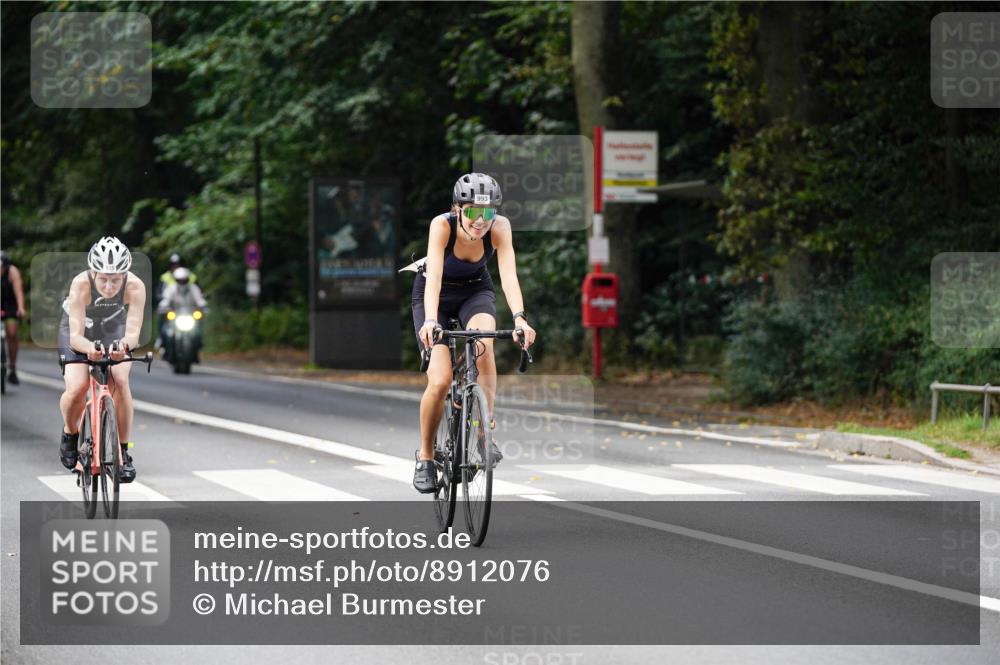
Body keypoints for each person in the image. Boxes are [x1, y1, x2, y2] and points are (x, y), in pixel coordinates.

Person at [411, 173, 536, 493]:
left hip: (475, 292)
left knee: (484, 345)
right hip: (434, 296)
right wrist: (429, 321)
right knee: (439, 381)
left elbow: (508, 275)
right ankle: (425, 456)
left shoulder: (499, 227)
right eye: (472, 212)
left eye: (488, 213)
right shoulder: (442, 226)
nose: (481, 221)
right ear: (457, 209)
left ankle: (483, 432)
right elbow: (434, 277)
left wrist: (520, 318)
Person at [58, 237, 146, 482]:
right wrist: (89, 349)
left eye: (116, 279)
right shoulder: (80, 284)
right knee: (77, 388)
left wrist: (123, 347)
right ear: (93, 273)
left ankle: (123, 452)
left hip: (112, 326)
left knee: (120, 378)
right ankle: (70, 433)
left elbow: (133, 332)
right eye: (104, 279)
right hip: (79, 330)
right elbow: (75, 337)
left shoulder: (135, 286)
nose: (109, 286)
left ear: (125, 275)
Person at [157, 267, 207, 362]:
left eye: (184, 280)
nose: (182, 282)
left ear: (188, 279)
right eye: (180, 280)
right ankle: (163, 346)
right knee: (165, 331)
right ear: (176, 280)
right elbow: (165, 300)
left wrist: (203, 305)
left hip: (190, 316)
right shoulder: (171, 289)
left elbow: (200, 299)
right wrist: (163, 306)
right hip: (175, 317)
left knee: (198, 332)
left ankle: (197, 350)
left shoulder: (193, 288)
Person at [1, 251, 27, 385]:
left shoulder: (12, 272)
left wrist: (21, 308)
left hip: (10, 305)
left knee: (11, 333)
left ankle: (12, 367)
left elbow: (19, 291)